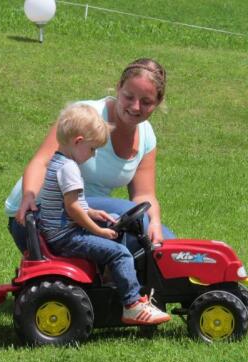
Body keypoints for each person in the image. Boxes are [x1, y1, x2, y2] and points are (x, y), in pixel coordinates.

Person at [5, 58, 175, 253]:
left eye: (146, 102)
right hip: (41, 213)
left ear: (158, 102)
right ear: (118, 87)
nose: (135, 107)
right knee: (131, 222)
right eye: (129, 96)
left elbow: (144, 195)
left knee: (166, 241)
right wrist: (29, 195)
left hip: (86, 213)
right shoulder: (84, 116)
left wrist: (155, 223)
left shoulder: (146, 136)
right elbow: (42, 162)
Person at [38, 103, 170, 325]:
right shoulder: (69, 169)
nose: (93, 155)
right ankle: (132, 305)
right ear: (78, 142)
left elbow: (73, 203)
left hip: (58, 230)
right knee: (120, 253)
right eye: (92, 149)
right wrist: (97, 229)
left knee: (115, 233)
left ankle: (111, 283)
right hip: (64, 236)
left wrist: (95, 212)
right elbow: (73, 210)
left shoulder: (59, 162)